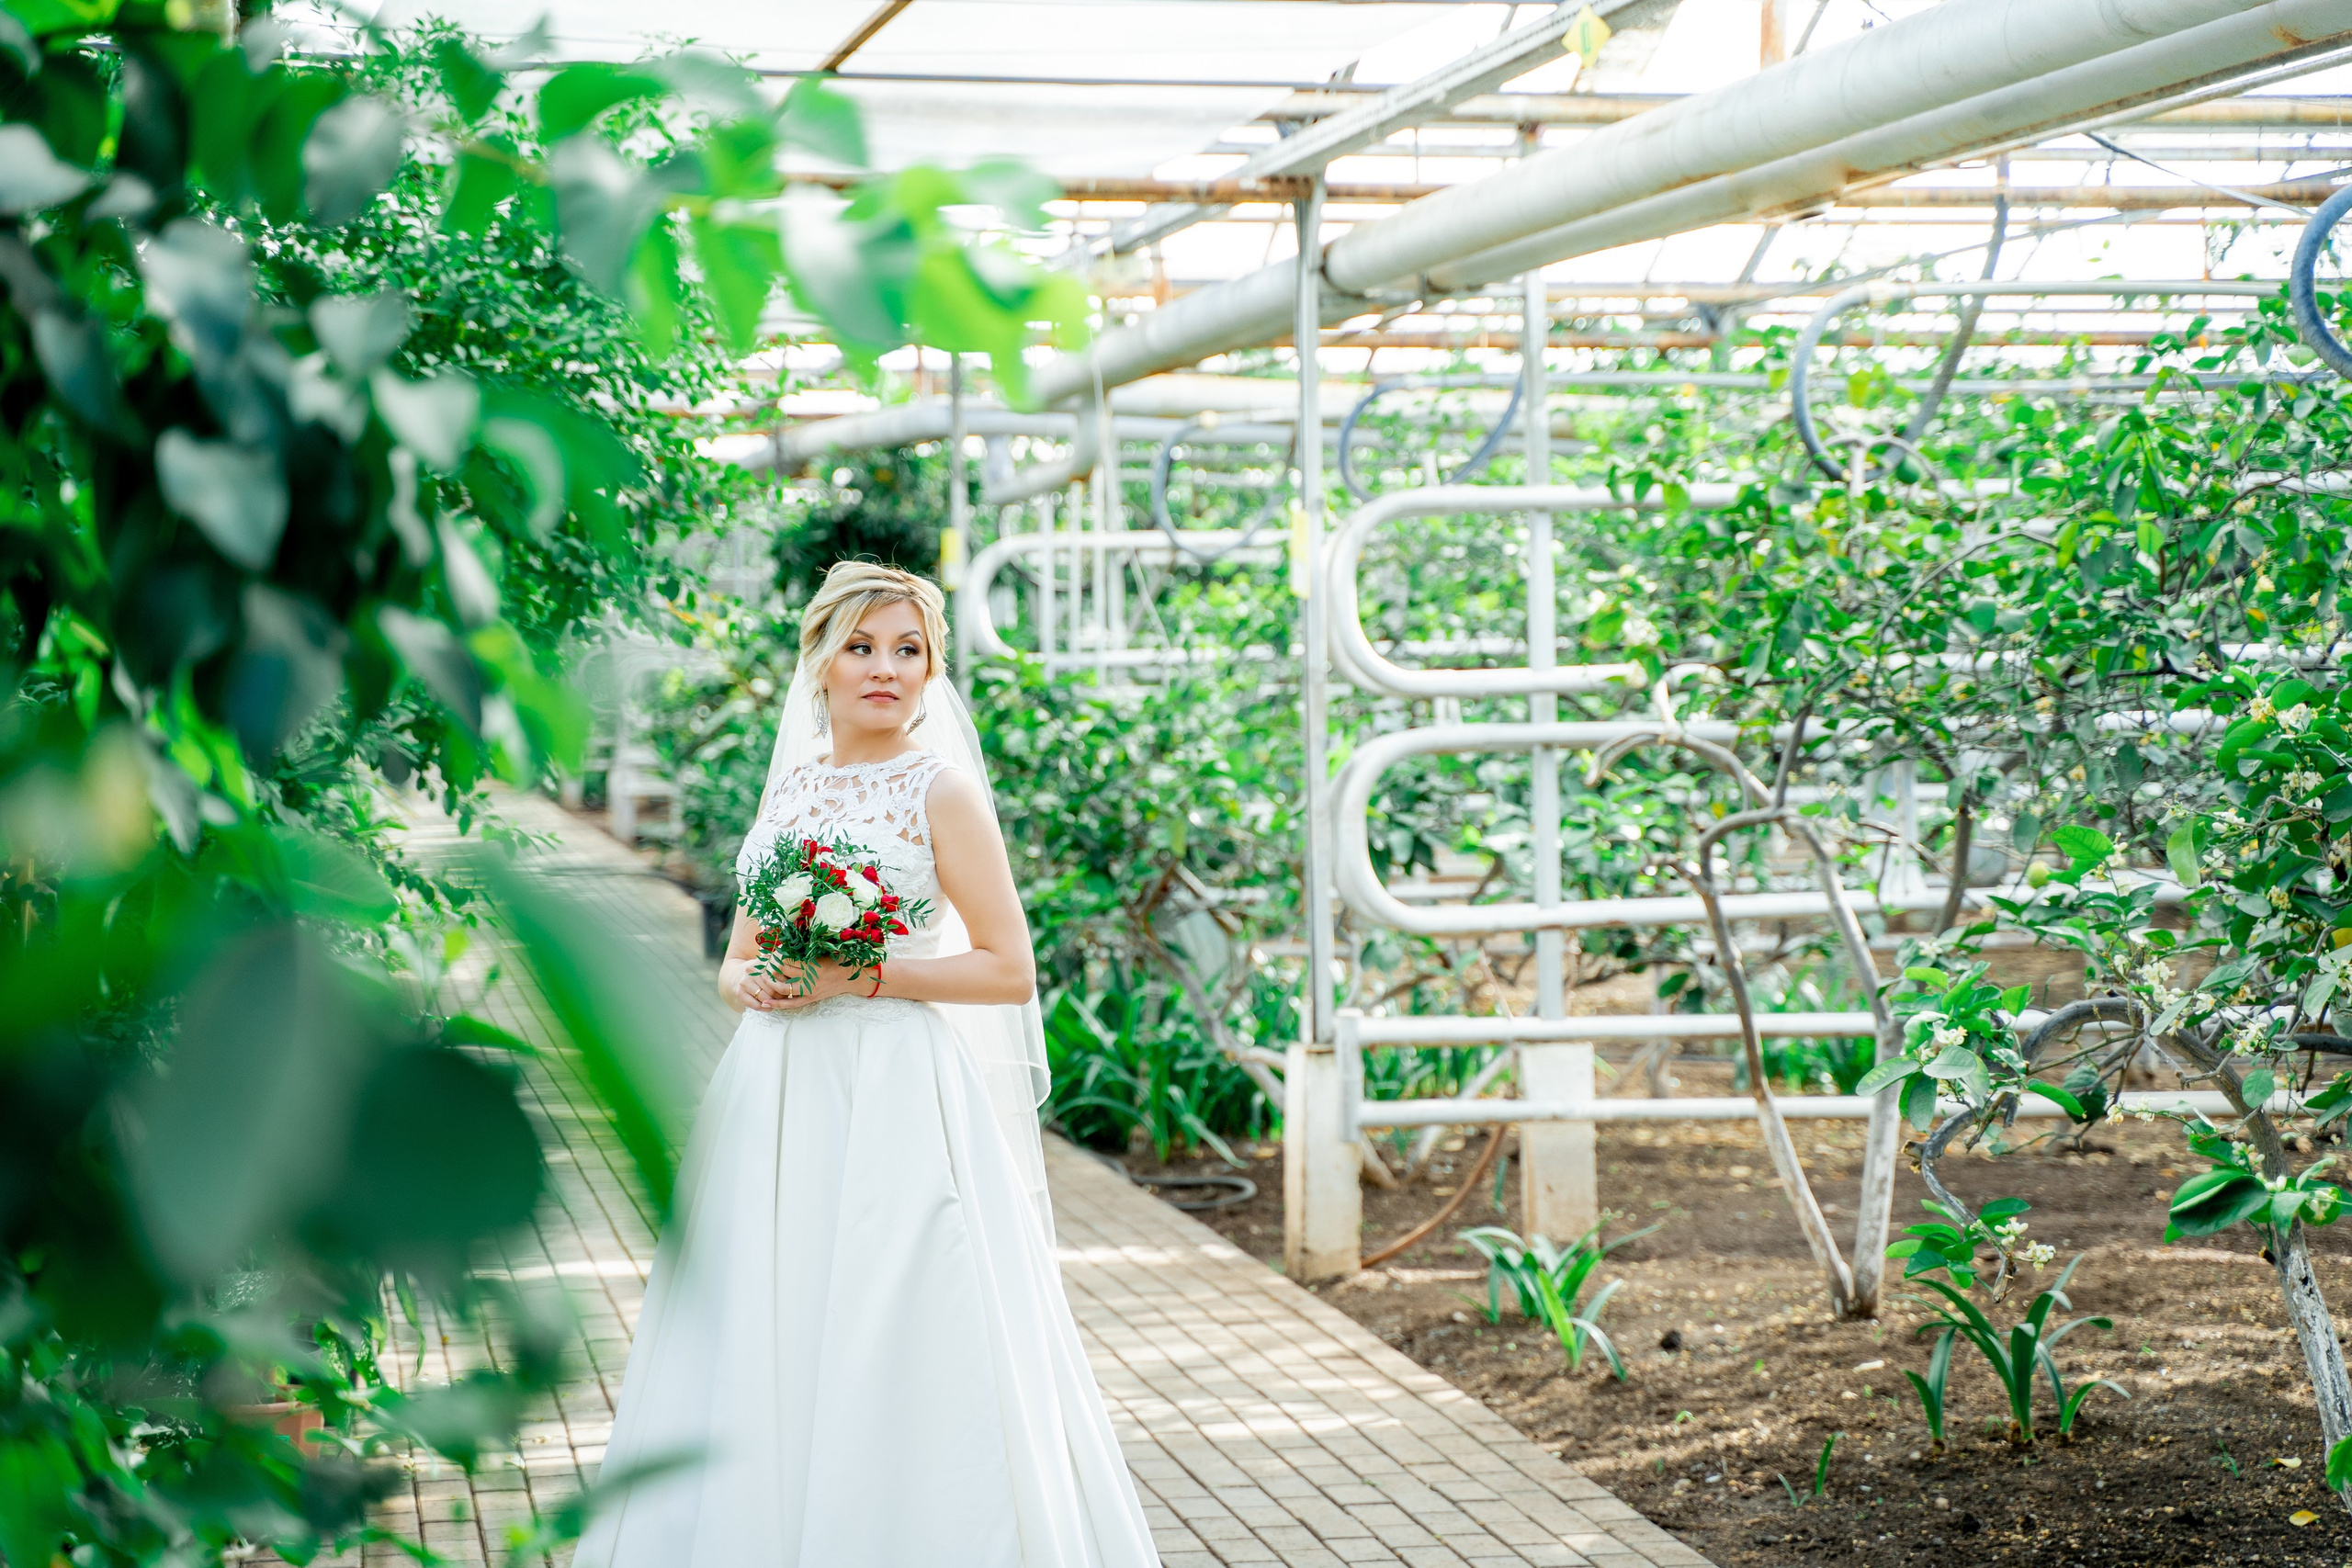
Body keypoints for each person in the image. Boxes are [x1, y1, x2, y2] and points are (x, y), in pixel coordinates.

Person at [575, 562, 1159, 1568]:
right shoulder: (792, 787)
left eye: (908, 651)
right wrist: (746, 988)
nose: (884, 669)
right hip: (776, 1092)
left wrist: (859, 975)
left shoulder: (943, 791)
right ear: (820, 662)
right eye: (862, 647)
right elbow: (738, 960)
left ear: (931, 671)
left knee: (901, 1311)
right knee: (769, 1311)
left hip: (895, 1088)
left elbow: (1008, 970)